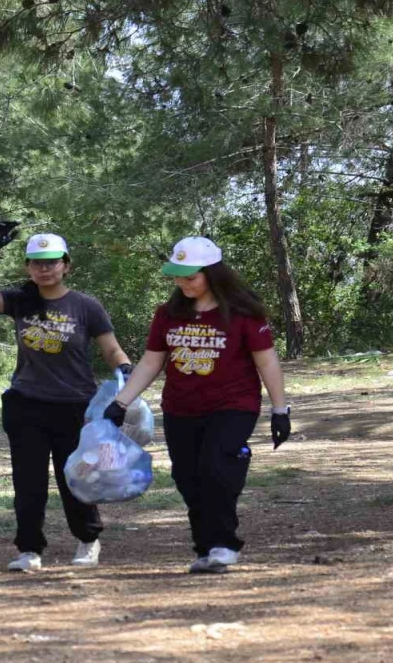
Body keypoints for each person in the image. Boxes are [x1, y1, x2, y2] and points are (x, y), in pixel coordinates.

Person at [103, 236, 289, 574]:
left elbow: (267, 363)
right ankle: (205, 548)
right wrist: (121, 401)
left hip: (233, 405)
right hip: (181, 408)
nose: (182, 283)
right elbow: (150, 362)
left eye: (191, 276)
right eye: (178, 275)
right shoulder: (169, 314)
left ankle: (223, 544)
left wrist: (280, 410)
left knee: (215, 469)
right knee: (187, 477)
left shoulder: (245, 313)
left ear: (213, 273)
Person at [0, 221, 134, 572]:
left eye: (52, 261)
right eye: (37, 262)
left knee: (75, 478)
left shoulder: (86, 306)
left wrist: (125, 370)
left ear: (66, 265)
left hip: (76, 406)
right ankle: (29, 550)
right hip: (26, 404)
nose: (44, 268)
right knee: (29, 483)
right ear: (27, 267)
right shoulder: (20, 301)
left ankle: (88, 540)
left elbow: (111, 349)